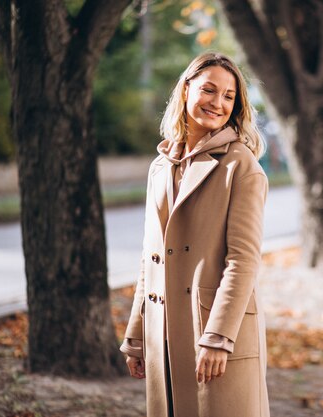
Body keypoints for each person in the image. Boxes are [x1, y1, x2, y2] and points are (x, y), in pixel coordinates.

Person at [119, 52, 270, 417]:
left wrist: (218, 337)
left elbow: (243, 260)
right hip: (163, 334)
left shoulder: (241, 166)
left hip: (216, 336)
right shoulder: (160, 167)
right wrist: (137, 333)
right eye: (209, 90)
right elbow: (149, 256)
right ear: (186, 90)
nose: (218, 103)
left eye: (229, 96)